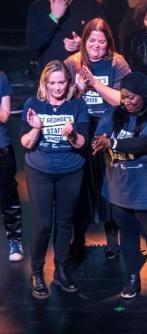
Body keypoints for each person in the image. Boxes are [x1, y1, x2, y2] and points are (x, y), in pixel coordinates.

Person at [92, 72, 147, 299]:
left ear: (143, 96)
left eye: (130, 98)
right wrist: (98, 141)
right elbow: (101, 131)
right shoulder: (115, 114)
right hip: (121, 185)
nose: (126, 102)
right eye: (123, 97)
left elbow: (146, 143)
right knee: (127, 233)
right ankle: (132, 278)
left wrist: (114, 142)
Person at [21, 60, 90, 299]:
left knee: (64, 222)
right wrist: (37, 128)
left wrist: (71, 134)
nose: (58, 88)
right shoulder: (33, 103)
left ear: (68, 83)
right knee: (43, 224)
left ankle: (61, 271)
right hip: (39, 170)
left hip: (70, 170)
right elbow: (26, 143)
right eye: (52, 83)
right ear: (45, 83)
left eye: (61, 82)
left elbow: (83, 144)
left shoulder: (77, 104)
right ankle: (37, 273)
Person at [64, 18, 131, 259]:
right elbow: (63, 98)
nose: (96, 46)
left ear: (108, 42)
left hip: (108, 129)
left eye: (101, 42)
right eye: (91, 40)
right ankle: (77, 237)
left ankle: (113, 239)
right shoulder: (72, 63)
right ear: (84, 41)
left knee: (109, 185)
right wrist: (79, 88)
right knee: (80, 186)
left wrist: (94, 84)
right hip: (81, 130)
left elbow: (122, 100)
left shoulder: (117, 62)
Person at [26, 0, 105, 69]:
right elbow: (33, 44)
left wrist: (82, 45)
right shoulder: (38, 7)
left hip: (81, 75)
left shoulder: (90, 5)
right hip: (51, 78)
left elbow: (105, 42)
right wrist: (54, 17)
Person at [0, 72, 23, 262]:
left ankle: (15, 240)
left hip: (1, 148)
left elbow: (4, 116)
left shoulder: (1, 78)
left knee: (9, 198)